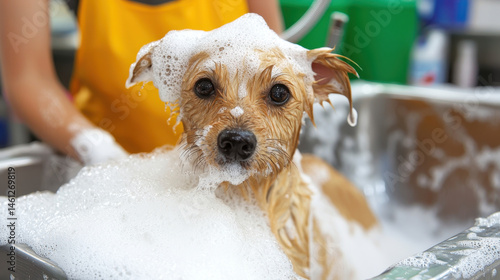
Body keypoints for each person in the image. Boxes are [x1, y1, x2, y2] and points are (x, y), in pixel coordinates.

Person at [0, 0, 283, 165]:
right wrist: (98, 150)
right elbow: (28, 79)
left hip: (231, 174)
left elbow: (274, 63)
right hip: (106, 176)